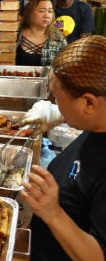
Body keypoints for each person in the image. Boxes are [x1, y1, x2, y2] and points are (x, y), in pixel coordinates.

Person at [21, 35, 106, 261]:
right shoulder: (96, 125)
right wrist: (59, 115)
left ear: (89, 103)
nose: (53, 101)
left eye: (57, 98)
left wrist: (52, 213)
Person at [16, 0, 67, 67]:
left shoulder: (58, 39)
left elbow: (63, 68)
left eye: (50, 11)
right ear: (30, 12)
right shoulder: (17, 33)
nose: (46, 15)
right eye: (41, 11)